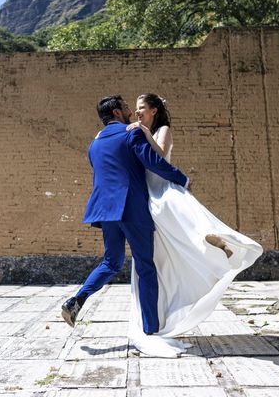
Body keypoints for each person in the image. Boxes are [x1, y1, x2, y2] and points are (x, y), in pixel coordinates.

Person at [126, 93, 263, 357]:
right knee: (164, 250)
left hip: (163, 187)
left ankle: (217, 243)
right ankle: (165, 312)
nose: (137, 113)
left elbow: (161, 155)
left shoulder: (163, 129)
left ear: (154, 110)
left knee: (187, 218)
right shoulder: (142, 130)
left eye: (142, 108)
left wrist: (143, 131)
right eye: (136, 109)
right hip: (148, 192)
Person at [61, 95, 190, 335]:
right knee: (145, 266)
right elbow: (154, 161)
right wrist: (183, 180)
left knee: (112, 262)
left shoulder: (94, 143)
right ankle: (151, 330)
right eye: (126, 106)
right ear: (118, 113)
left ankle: (76, 300)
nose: (131, 109)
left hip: (105, 210)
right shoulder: (131, 133)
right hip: (131, 207)